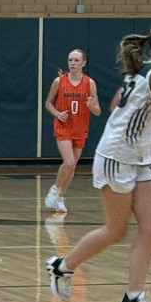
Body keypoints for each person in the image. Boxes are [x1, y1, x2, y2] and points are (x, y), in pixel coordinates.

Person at [46, 20, 151, 302]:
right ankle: (61, 266)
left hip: (137, 158)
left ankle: (133, 299)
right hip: (118, 157)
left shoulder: (142, 69)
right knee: (116, 231)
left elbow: (116, 104)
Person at [44, 48, 101, 215]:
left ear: (83, 63)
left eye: (76, 60)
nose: (73, 63)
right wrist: (57, 114)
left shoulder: (89, 83)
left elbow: (98, 111)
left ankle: (61, 196)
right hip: (64, 126)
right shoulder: (59, 81)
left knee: (72, 166)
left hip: (80, 127)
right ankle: (55, 190)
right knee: (68, 162)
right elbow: (48, 102)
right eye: (70, 60)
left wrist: (92, 106)